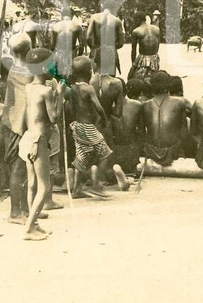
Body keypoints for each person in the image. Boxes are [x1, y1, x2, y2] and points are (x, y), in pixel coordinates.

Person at [69, 57, 129, 195]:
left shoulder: (73, 88)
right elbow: (103, 108)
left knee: (82, 157)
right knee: (106, 154)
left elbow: (71, 108)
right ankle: (97, 183)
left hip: (78, 125)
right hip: (94, 126)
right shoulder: (99, 86)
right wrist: (103, 117)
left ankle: (77, 188)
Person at [21, 48, 64, 241]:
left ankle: (34, 224)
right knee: (44, 187)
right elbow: (54, 118)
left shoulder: (29, 87)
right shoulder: (47, 91)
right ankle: (29, 228)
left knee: (32, 185)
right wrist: (60, 95)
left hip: (29, 138)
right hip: (39, 141)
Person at [1, 33, 33, 224]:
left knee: (25, 167)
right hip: (19, 124)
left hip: (15, 122)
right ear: (29, 50)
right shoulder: (27, 72)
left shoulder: (14, 69)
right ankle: (15, 212)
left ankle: (26, 208)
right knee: (19, 168)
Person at [140, 72, 190, 170]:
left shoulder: (145, 105)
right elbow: (184, 133)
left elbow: (141, 134)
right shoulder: (179, 102)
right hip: (173, 151)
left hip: (151, 150)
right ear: (169, 85)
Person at [112, 79, 145, 174]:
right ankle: (133, 169)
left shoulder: (108, 107)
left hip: (114, 153)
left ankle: (117, 171)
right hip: (131, 152)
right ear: (126, 91)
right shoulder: (137, 105)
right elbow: (141, 132)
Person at [86, 0, 125, 76]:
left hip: (96, 50)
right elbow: (121, 43)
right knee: (110, 79)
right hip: (111, 51)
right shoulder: (117, 21)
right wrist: (112, 47)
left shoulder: (94, 17)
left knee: (96, 77)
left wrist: (92, 47)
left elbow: (88, 37)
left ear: (102, 7)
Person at [128, 10, 162, 80]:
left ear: (138, 20)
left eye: (135, 21)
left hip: (142, 57)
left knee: (131, 77)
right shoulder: (157, 29)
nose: (134, 23)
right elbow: (158, 45)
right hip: (155, 57)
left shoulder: (136, 31)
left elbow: (133, 51)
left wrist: (133, 65)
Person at [51, 8, 84, 78]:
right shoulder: (77, 26)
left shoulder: (55, 26)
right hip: (71, 53)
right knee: (71, 77)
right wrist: (79, 56)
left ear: (62, 16)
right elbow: (81, 44)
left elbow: (52, 45)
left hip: (59, 53)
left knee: (59, 77)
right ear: (72, 15)